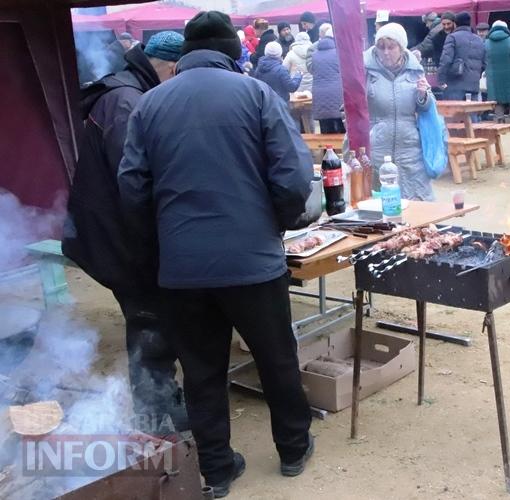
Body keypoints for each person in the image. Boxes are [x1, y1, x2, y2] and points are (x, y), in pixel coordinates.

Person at [117, 11, 314, 497]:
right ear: (233, 51)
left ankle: (218, 471)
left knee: (202, 371)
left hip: (183, 268)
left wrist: (161, 243)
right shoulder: (257, 94)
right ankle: (292, 450)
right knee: (276, 359)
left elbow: (132, 188)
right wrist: (277, 224)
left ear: (185, 53)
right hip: (253, 263)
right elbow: (292, 178)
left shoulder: (150, 105)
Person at [63, 31, 188, 435]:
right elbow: (133, 180)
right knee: (149, 325)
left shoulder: (128, 92)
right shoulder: (126, 101)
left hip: (115, 232)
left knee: (153, 323)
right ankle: (154, 420)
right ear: (170, 67)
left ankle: (162, 405)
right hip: (120, 237)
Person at [365, 23, 435, 201]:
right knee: (380, 208)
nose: (386, 52)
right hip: (377, 149)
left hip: (409, 149)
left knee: (418, 204)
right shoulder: (365, 71)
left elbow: (427, 108)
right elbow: (350, 108)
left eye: (391, 47)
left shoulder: (415, 70)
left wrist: (423, 95)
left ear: (402, 48)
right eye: (381, 47)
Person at [438, 12, 485, 103]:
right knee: (472, 113)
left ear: (455, 23)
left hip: (455, 84)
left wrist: (441, 79)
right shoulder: (479, 39)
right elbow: (484, 63)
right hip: (473, 84)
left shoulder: (452, 37)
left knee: (455, 114)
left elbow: (446, 60)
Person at [485, 20, 510, 120]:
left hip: (492, 73)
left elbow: (483, 57)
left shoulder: (487, 42)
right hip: (509, 72)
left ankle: (499, 117)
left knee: (496, 96)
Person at [310, 27, 345, 133]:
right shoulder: (339, 53)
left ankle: (327, 149)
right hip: (337, 92)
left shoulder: (315, 54)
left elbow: (313, 70)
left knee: (325, 129)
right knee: (342, 127)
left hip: (319, 93)